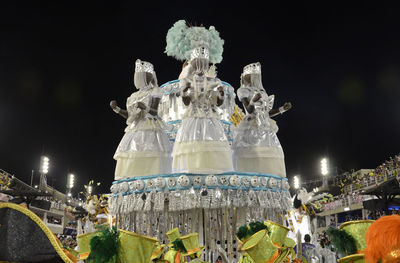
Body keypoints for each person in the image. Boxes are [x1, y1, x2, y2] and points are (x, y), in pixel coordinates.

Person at [172, 46, 233, 173]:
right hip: (193, 118)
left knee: (211, 148)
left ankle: (210, 173)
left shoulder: (214, 81)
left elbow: (218, 103)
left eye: (203, 62)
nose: (200, 65)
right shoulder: (187, 81)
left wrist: (221, 94)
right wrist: (184, 92)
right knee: (193, 148)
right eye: (197, 62)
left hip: (210, 118)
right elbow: (186, 102)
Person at [110, 59, 172, 180]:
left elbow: (155, 112)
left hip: (151, 126)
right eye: (140, 75)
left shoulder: (155, 91)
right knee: (133, 154)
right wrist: (116, 109)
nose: (142, 78)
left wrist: (146, 107)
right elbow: (130, 116)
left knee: (151, 155)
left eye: (145, 75)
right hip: (135, 128)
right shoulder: (133, 96)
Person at [232, 62, 291, 177]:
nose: (253, 77)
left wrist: (282, 109)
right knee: (253, 153)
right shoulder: (243, 91)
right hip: (251, 124)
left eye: (256, 75)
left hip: (265, 125)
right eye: (251, 75)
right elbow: (249, 110)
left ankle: (269, 179)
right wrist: (253, 100)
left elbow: (267, 113)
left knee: (270, 153)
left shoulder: (263, 92)